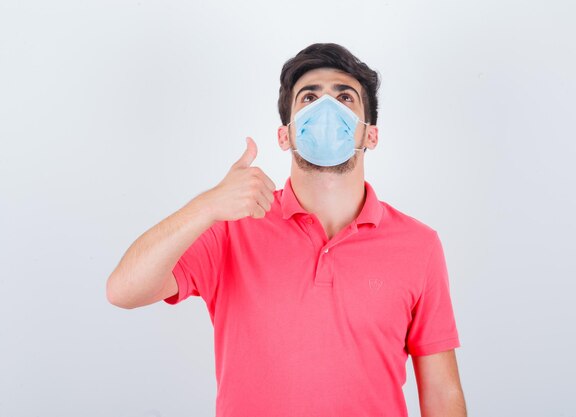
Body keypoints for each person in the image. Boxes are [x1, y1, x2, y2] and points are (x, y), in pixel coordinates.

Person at [106, 43, 466, 417]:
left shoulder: (418, 246)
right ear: (286, 135)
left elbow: (441, 392)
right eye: (309, 97)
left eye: (345, 97)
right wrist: (207, 205)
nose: (327, 108)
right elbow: (123, 290)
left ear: (370, 135)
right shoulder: (233, 228)